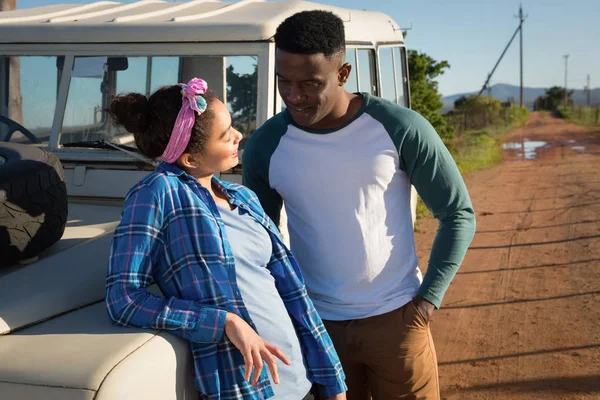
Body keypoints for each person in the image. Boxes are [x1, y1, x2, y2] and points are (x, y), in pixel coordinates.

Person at [242, 11, 476, 400]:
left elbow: (458, 214)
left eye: (311, 83)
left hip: (397, 322)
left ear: (344, 73)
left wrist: (426, 303)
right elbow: (259, 241)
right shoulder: (266, 145)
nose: (295, 96)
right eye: (285, 81)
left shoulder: (400, 127)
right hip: (316, 327)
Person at [104, 78, 347, 400]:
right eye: (225, 134)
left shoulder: (243, 196)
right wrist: (222, 321)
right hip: (243, 390)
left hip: (301, 381)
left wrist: (332, 382)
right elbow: (123, 299)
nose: (238, 136)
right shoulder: (155, 195)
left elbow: (294, 297)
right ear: (190, 158)